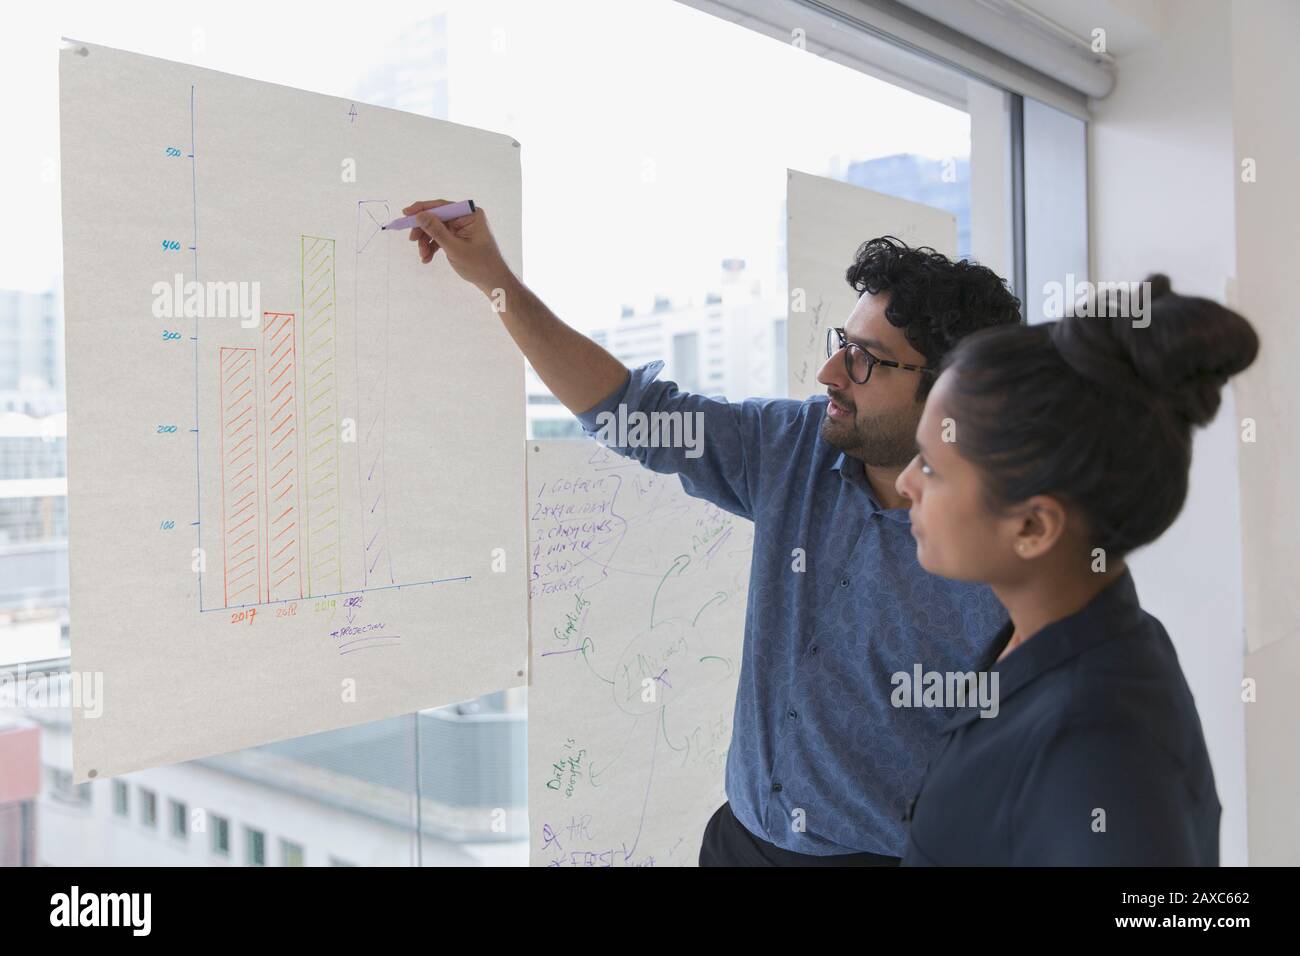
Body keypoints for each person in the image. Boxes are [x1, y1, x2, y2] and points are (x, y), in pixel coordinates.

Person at [402, 199, 1021, 865]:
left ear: (950, 389)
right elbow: (635, 417)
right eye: (841, 346)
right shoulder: (795, 446)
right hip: (741, 844)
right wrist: (493, 277)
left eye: (865, 360)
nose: (829, 374)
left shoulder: (1011, 550)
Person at [894, 275, 1257, 865]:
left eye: (932, 468)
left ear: (1034, 527)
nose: (907, 483)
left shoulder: (1094, 746)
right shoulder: (1052, 638)